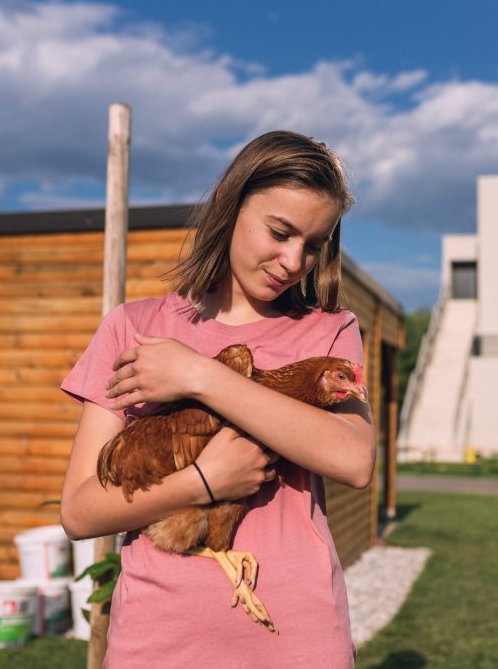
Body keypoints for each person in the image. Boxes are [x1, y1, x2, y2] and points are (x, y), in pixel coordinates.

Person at [59, 130, 374, 667]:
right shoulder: (135, 328)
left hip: (297, 637)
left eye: (314, 245)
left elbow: (354, 460)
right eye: (280, 232)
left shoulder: (331, 331)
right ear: (231, 205)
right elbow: (80, 512)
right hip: (159, 641)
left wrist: (203, 376)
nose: (294, 260)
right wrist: (202, 483)